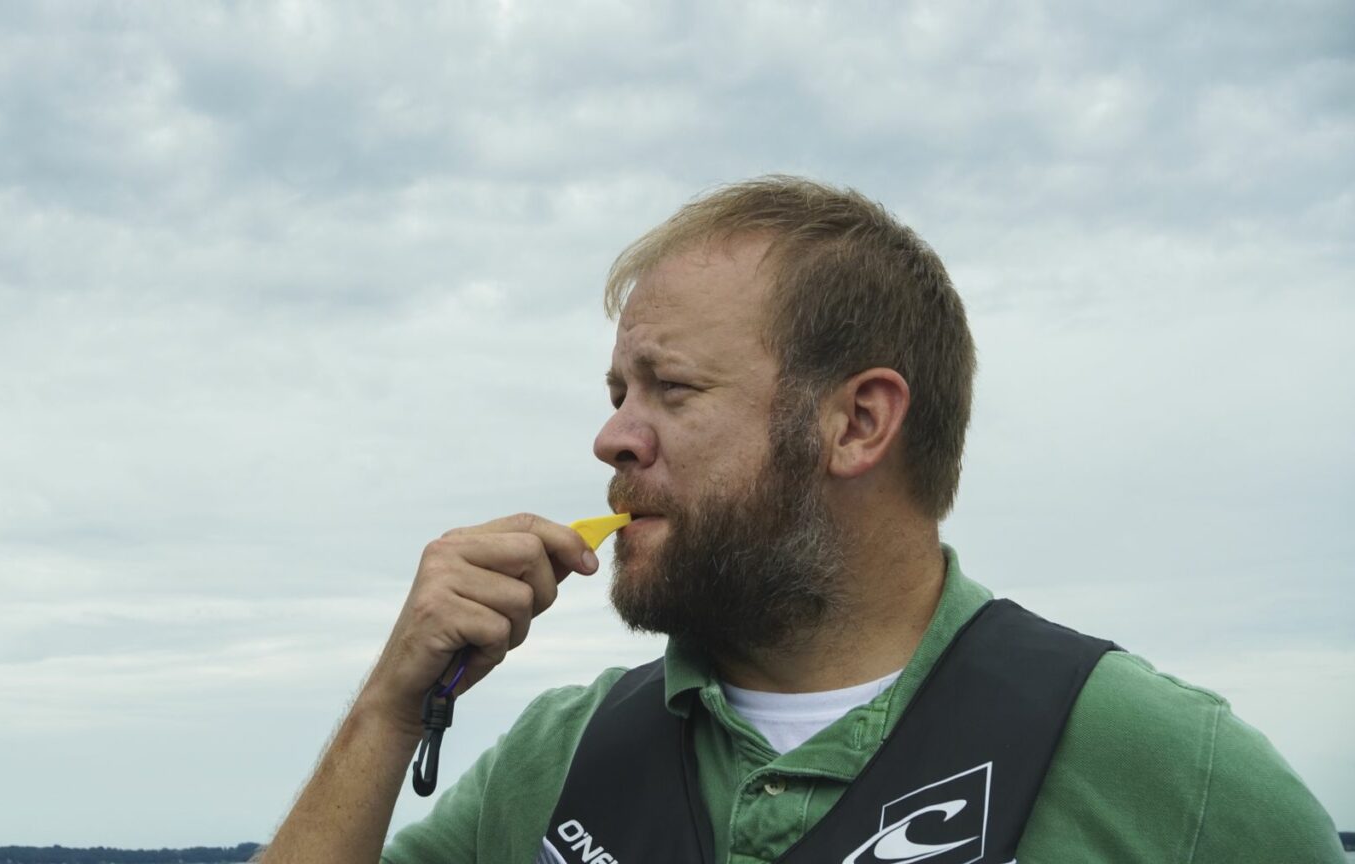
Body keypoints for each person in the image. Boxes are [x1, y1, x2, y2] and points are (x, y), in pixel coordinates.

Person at [260, 177, 1342, 863]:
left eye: (670, 391)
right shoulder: (559, 762)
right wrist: (390, 712)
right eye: (614, 395)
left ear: (858, 423)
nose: (613, 441)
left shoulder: (1162, 765)